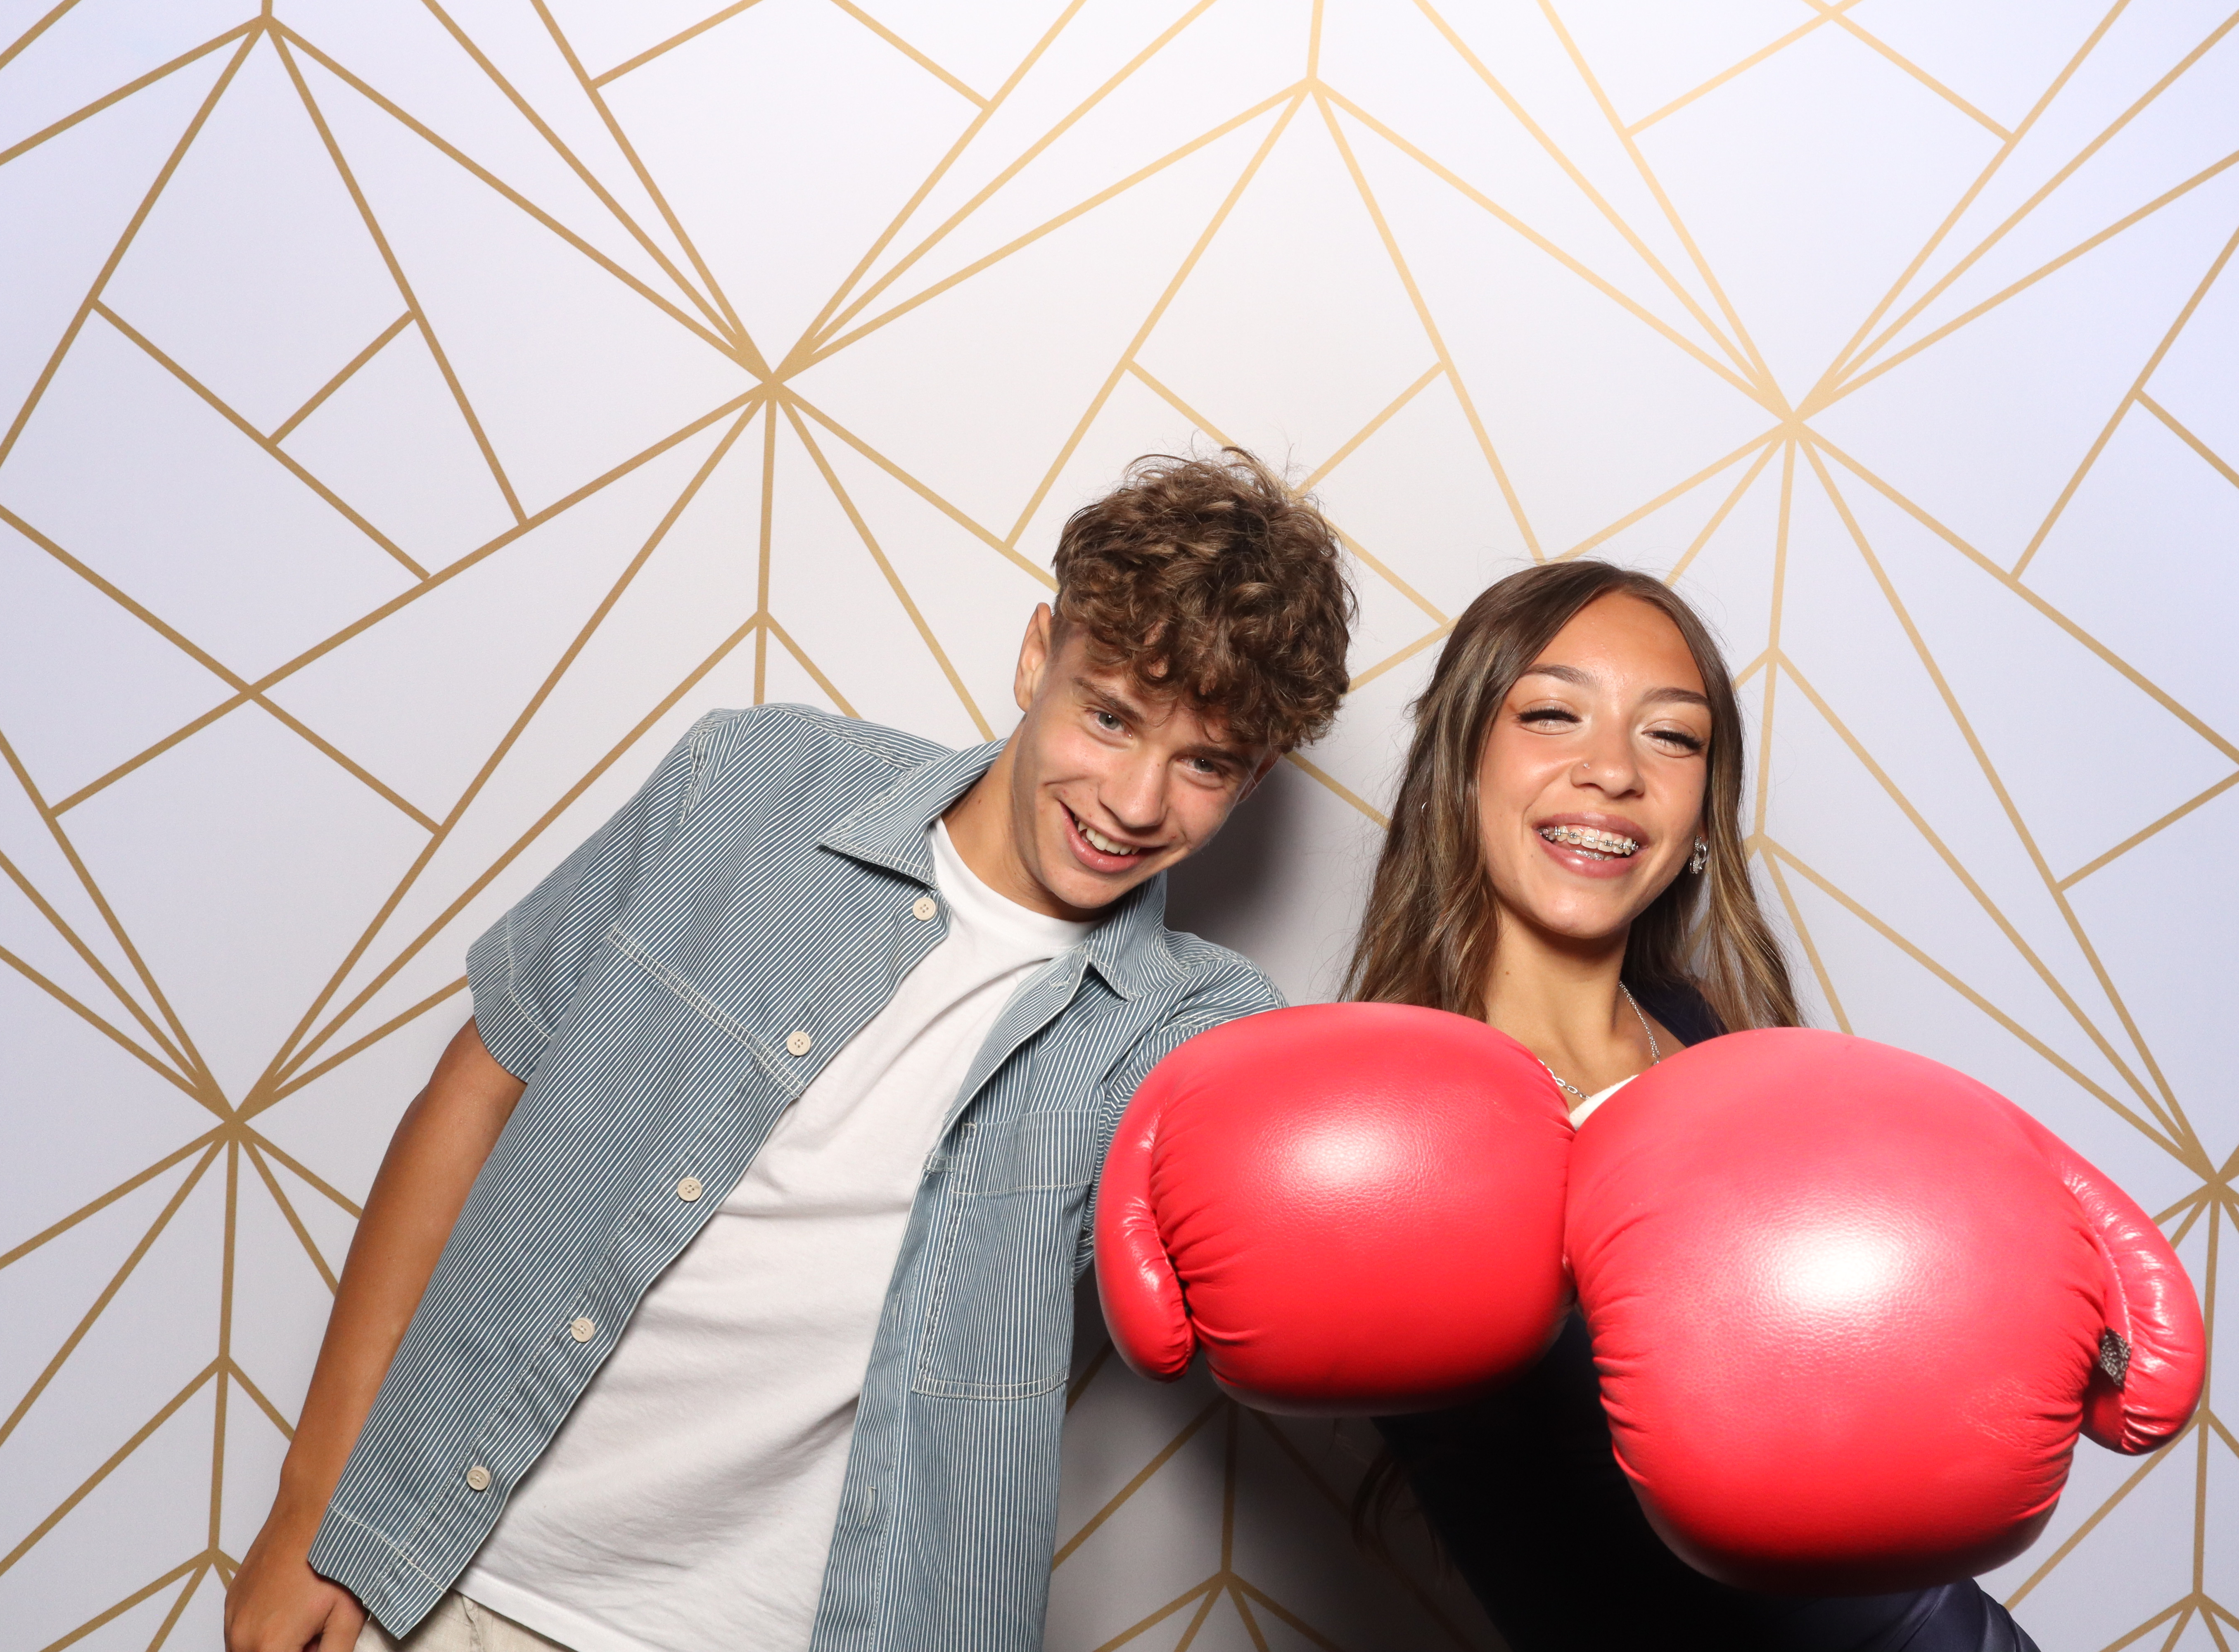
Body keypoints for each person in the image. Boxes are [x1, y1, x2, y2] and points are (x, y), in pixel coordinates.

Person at [221, 451, 1354, 1652]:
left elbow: (1374, 1240)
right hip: (444, 1577)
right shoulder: (752, 782)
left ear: (1256, 776)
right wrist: (312, 1507)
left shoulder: (1201, 1035)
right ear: (1039, 656)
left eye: (1205, 764)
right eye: (1110, 715)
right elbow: (481, 1084)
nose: (1133, 799)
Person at [1345, 560, 2038, 1652]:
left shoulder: (1715, 1039)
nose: (1612, 770)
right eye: (1553, 714)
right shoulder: (1385, 1126)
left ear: (1704, 812)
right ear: (1458, 766)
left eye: (1672, 736)